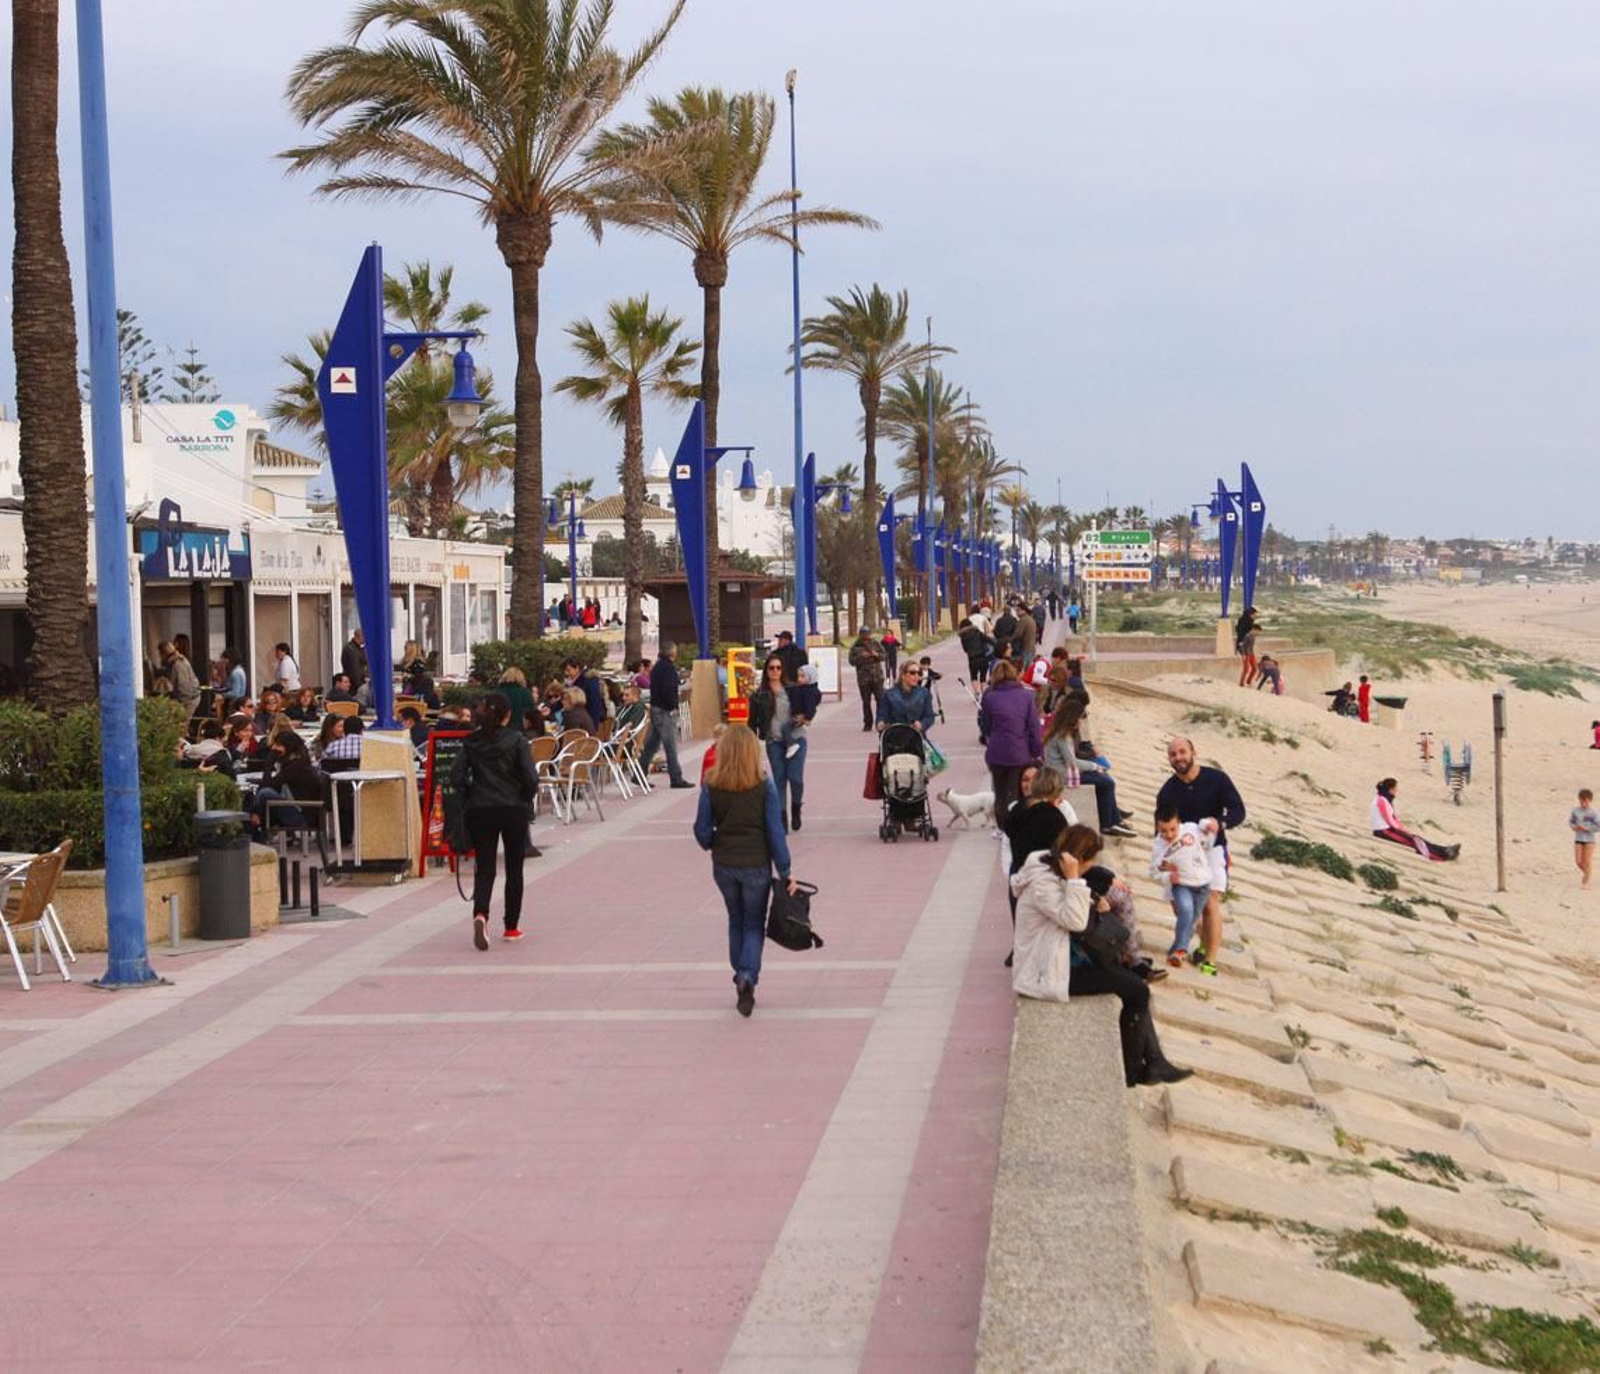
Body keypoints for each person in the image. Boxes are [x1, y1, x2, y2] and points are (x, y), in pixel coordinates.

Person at [1010, 825, 1191, 1087]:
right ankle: (1132, 1074)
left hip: (1063, 957)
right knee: (1138, 991)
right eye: (1088, 862)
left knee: (1132, 982)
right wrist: (1075, 880)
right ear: (1077, 858)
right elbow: (1074, 919)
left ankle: (1154, 1062)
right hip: (1047, 970)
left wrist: (1093, 895)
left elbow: (1074, 906)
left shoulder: (1047, 865)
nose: (1088, 868)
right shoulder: (1042, 884)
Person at [693, 724, 796, 1018]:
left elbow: (701, 831)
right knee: (754, 923)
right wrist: (786, 871)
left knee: (735, 920)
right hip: (756, 864)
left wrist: (715, 842)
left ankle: (740, 972)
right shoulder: (764, 784)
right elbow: (775, 832)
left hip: (724, 865)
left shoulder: (712, 784)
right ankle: (748, 975)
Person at [452, 692, 539, 949]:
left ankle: (481, 913)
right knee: (514, 869)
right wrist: (524, 797)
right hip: (513, 809)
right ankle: (511, 926)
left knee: (485, 867)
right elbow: (531, 778)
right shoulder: (517, 740)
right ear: (507, 715)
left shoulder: (471, 741)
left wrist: (471, 793)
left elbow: (456, 775)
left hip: (481, 809)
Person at [1155, 738, 1246, 976]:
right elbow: (1161, 831)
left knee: (1209, 902)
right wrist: (1164, 866)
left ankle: (1210, 959)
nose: (1179, 757)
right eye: (1173, 754)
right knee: (1182, 907)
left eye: (1182, 752)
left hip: (1213, 848)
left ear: (1194, 751)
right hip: (1183, 854)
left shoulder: (1217, 779)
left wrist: (1221, 823)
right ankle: (1202, 943)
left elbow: (1238, 811)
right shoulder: (1167, 792)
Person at [1002, 765, 1077, 965]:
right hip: (1043, 879)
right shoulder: (1053, 817)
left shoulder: (1017, 809)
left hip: (1020, 872)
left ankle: (1018, 951)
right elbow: (1064, 852)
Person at [1041, 699, 1133, 836]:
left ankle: (1115, 818)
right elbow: (1073, 763)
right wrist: (1095, 766)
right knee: (1107, 782)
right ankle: (1108, 824)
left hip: (1063, 772)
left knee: (1104, 780)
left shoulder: (1060, 732)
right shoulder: (1062, 736)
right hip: (1062, 776)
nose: (1080, 722)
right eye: (1079, 719)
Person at [749, 653, 817, 830]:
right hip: (775, 742)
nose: (775, 671)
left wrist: (807, 716)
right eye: (771, 668)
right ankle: (782, 817)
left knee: (796, 778)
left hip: (797, 738)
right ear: (766, 671)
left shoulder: (793, 688)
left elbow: (812, 698)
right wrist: (752, 743)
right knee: (779, 779)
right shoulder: (759, 694)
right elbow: (752, 721)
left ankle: (796, 807)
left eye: (778, 668)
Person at [1150, 803, 1218, 968]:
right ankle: (1181, 950)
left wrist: (1208, 824)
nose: (1169, 834)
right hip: (1181, 885)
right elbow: (1153, 873)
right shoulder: (1158, 847)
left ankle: (1175, 950)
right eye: (1163, 831)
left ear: (1179, 822)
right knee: (1185, 911)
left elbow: (1207, 836)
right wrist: (1167, 876)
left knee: (1192, 919)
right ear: (1157, 828)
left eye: (1172, 829)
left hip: (1203, 884)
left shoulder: (1191, 828)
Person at [979, 660, 1041, 819]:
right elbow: (1034, 727)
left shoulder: (989, 696)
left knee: (1000, 794)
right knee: (1018, 793)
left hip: (996, 753)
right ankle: (1017, 827)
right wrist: (1037, 752)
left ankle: (1002, 828)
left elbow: (985, 726)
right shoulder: (1027, 696)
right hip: (1019, 753)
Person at [638, 642, 691, 788]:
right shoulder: (668, 668)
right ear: (671, 653)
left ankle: (639, 773)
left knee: (652, 744)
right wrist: (673, 706)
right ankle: (676, 778)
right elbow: (667, 689)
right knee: (670, 745)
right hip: (664, 710)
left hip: (656, 708)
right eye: (675, 650)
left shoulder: (658, 667)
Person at [249, 731, 321, 834]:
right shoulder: (296, 762)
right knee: (262, 795)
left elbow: (268, 784)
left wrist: (269, 763)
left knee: (265, 793)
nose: (274, 748)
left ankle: (260, 829)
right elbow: (272, 785)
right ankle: (261, 827)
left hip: (303, 816)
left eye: (278, 745)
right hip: (299, 809)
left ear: (289, 746)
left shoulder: (296, 766)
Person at [1371, 778, 1458, 860]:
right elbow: (1390, 821)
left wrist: (1402, 829)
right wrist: (1403, 832)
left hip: (1387, 829)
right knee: (1412, 841)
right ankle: (1442, 855)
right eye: (1395, 788)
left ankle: (1444, 849)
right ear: (1390, 789)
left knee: (1416, 838)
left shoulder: (1384, 798)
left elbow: (1393, 818)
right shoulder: (1382, 801)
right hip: (1383, 832)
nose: (1397, 790)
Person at [877, 660, 936, 735]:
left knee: (936, 747)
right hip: (893, 737)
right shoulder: (888, 694)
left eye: (919, 673)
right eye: (912, 673)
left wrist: (922, 724)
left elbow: (929, 716)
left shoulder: (924, 693)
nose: (916, 676)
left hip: (917, 737)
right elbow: (882, 715)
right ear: (903, 675)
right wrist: (880, 723)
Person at [848, 627, 887, 732]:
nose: (866, 637)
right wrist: (862, 657)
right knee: (866, 702)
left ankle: (880, 722)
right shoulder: (855, 646)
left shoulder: (875, 643)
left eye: (867, 634)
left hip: (877, 677)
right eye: (864, 634)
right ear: (860, 635)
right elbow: (851, 661)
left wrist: (876, 655)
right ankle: (867, 723)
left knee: (880, 700)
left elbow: (884, 656)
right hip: (863, 678)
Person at [158, 639, 202, 723]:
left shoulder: (178, 664)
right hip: (189, 696)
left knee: (182, 725)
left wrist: (177, 700)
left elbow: (183, 686)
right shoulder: (176, 661)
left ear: (163, 653)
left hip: (189, 698)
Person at [562, 657, 606, 726]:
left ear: (577, 668)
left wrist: (593, 726)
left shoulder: (589, 682)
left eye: (568, 670)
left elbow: (594, 705)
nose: (566, 673)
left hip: (586, 723)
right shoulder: (579, 682)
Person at [1572, 789, 1598, 889]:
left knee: (1587, 861)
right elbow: (1571, 821)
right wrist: (1574, 827)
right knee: (1579, 862)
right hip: (1578, 838)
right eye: (1581, 801)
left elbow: (1598, 827)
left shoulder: (1594, 813)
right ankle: (1588, 874)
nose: (1583, 804)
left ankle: (1587, 881)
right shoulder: (1575, 811)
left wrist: (1587, 829)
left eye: (1586, 801)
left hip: (1590, 840)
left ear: (1590, 801)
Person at [958, 616, 993, 683]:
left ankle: (976, 692)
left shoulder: (963, 636)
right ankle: (983, 692)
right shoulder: (977, 632)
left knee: (974, 677)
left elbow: (965, 649)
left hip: (972, 658)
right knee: (983, 678)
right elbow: (988, 639)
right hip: (982, 657)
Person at [1234, 606, 1259, 688]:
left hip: (1250, 650)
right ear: (1250, 614)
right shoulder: (1245, 624)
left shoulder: (1249, 622)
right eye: (1254, 614)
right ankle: (1242, 683)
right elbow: (1240, 636)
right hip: (1244, 649)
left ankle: (1248, 682)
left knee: (1254, 668)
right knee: (1247, 668)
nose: (1255, 616)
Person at [341, 628, 368, 695]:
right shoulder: (351, 649)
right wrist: (361, 686)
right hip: (354, 687)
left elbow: (365, 661)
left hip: (356, 685)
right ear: (360, 636)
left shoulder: (357, 649)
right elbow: (355, 670)